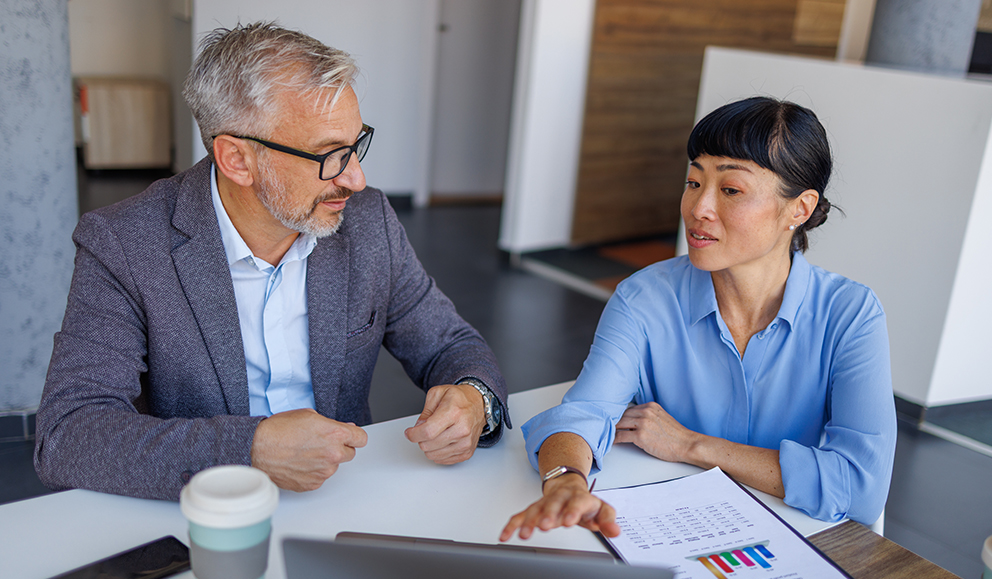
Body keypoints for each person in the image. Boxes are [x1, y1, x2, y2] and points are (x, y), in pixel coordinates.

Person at [34, 22, 508, 501]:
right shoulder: (123, 244)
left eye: (356, 145)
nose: (358, 179)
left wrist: (474, 399)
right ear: (237, 159)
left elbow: (449, 344)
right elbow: (68, 434)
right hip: (202, 516)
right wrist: (249, 449)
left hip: (342, 500)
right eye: (329, 155)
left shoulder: (369, 222)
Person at [501, 97, 896, 542]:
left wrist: (692, 445)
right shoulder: (644, 298)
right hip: (670, 536)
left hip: (794, 542)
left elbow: (862, 487)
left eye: (730, 190)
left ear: (799, 209)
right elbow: (583, 414)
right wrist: (566, 480)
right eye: (693, 182)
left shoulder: (851, 315)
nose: (698, 208)